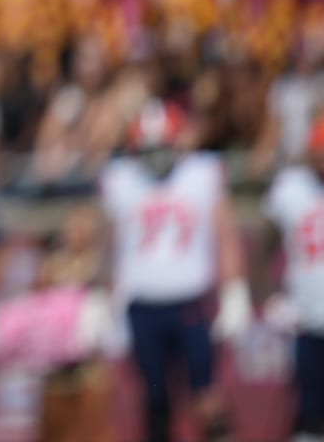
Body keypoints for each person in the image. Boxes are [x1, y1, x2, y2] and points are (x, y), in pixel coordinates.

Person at [100, 100, 249, 442]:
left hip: (190, 303)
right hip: (142, 305)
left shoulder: (202, 174)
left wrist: (234, 289)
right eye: (147, 148)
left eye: (162, 145)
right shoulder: (121, 180)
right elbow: (109, 243)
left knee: (206, 394)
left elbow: (225, 235)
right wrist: (103, 295)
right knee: (154, 399)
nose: (155, 156)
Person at [263, 117, 324, 442]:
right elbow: (263, 249)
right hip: (309, 321)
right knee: (309, 413)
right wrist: (275, 297)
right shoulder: (292, 187)